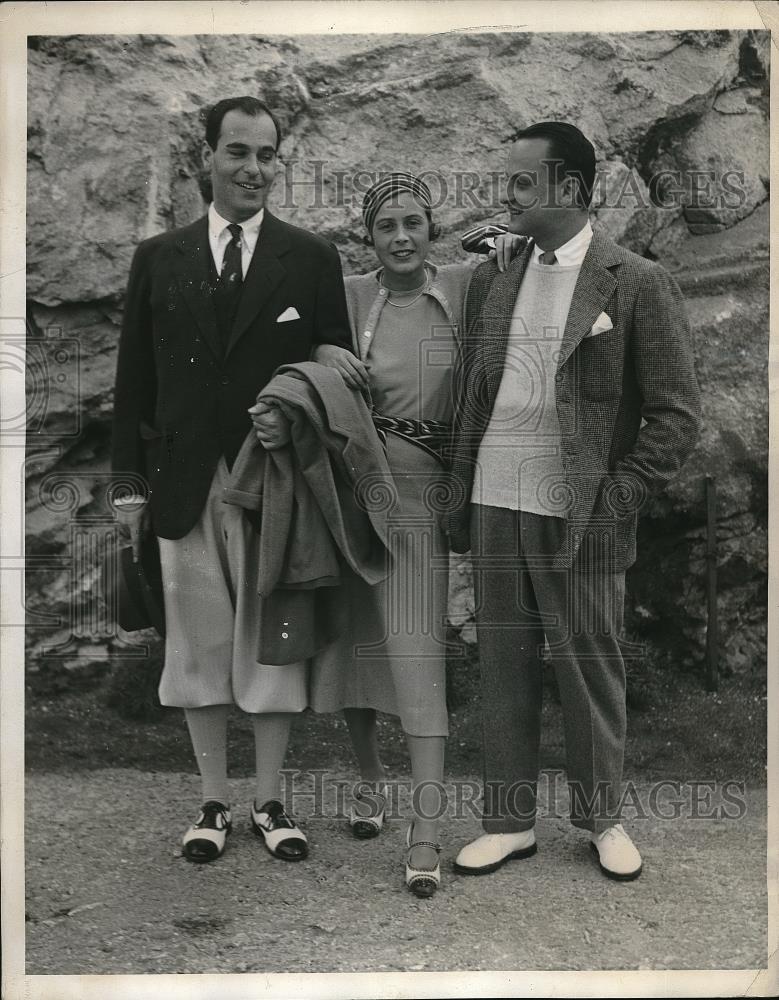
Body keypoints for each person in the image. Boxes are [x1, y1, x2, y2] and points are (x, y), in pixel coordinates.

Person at [446, 122, 701, 881]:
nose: (507, 195)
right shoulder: (494, 274)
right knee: (502, 662)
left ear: (568, 190)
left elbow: (676, 414)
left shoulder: (637, 281)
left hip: (582, 513)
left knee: (588, 663)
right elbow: (473, 393)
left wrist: (616, 498)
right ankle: (507, 822)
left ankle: (601, 819)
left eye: (522, 182)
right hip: (496, 498)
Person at [111, 95, 353, 864]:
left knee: (271, 640)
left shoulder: (309, 257)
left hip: (274, 485)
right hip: (184, 485)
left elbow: (337, 380)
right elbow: (133, 382)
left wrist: (298, 413)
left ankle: (271, 802)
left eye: (267, 155)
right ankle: (213, 802)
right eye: (238, 152)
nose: (254, 169)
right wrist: (126, 485)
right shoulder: (159, 258)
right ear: (206, 158)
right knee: (198, 642)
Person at [307, 173, 509, 898]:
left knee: (417, 653)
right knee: (356, 646)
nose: (400, 237)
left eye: (413, 223)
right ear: (369, 237)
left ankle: (425, 831)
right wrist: (329, 356)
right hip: (356, 492)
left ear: (432, 229)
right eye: (386, 225)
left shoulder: (459, 286)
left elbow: (514, 247)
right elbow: (304, 354)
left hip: (423, 498)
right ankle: (368, 787)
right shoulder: (353, 297)